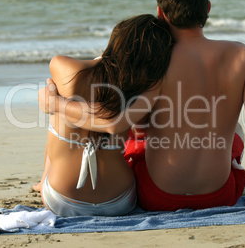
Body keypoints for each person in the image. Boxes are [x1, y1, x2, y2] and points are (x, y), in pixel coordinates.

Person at [38, 0, 245, 214]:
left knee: (139, 134)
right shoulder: (244, 56)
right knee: (236, 129)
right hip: (220, 195)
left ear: (161, 12)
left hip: (157, 196)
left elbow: (117, 123)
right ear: (208, 8)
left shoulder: (156, 60)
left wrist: (55, 104)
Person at [34, 14, 174, 217]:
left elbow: (109, 119)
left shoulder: (63, 65)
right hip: (120, 200)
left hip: (62, 197)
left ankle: (43, 180)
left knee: (56, 117)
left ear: (116, 41)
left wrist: (55, 103)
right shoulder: (149, 88)